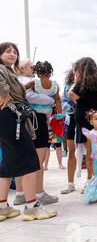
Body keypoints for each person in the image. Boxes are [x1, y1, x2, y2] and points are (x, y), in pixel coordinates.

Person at [0, 42, 57, 221]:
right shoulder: (2, 71)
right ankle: (32, 207)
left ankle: (2, 207)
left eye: (15, 51)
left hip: (8, 118)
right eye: (8, 51)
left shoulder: (8, 71)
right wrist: (5, 96)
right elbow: (4, 91)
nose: (12, 54)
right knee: (31, 160)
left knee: (9, 162)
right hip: (10, 117)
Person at [12, 58, 55, 205]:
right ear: (23, 68)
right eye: (31, 67)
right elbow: (30, 97)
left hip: (22, 120)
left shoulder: (18, 80)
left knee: (22, 157)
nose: (34, 69)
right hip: (36, 120)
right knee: (38, 160)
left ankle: (20, 193)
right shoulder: (27, 81)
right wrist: (51, 100)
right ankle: (39, 193)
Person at [23, 60, 60, 205]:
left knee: (35, 159)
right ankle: (38, 193)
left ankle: (31, 193)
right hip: (44, 121)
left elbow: (22, 91)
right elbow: (57, 102)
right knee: (39, 159)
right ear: (51, 72)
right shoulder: (55, 85)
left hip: (33, 120)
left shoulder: (34, 83)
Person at [69, 57, 97, 193]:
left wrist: (82, 99)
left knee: (89, 153)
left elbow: (71, 95)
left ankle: (90, 180)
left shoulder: (80, 84)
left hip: (84, 121)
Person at [60, 66, 79, 194]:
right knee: (71, 150)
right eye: (75, 70)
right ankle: (70, 183)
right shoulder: (68, 85)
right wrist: (72, 106)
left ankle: (90, 181)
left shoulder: (89, 83)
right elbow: (63, 103)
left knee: (90, 152)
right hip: (72, 118)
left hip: (86, 119)